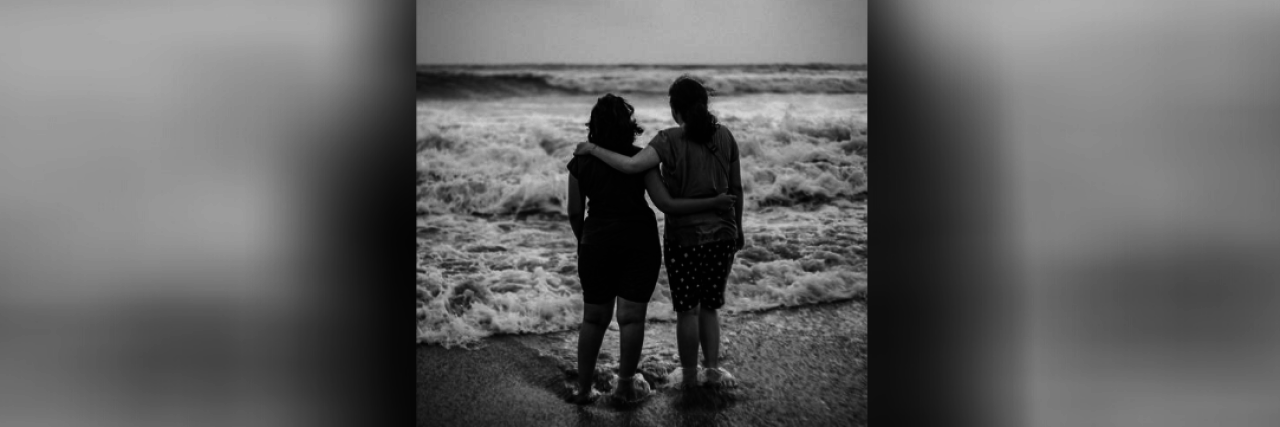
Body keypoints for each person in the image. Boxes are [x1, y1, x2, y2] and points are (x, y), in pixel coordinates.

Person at [573, 77, 745, 390]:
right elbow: (730, 189)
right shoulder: (724, 136)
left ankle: (685, 377)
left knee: (679, 312)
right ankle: (704, 373)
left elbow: (615, 178)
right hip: (703, 236)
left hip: (666, 240)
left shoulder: (663, 141)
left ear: (674, 108)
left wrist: (592, 149)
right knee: (699, 308)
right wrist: (737, 224)